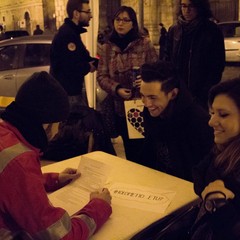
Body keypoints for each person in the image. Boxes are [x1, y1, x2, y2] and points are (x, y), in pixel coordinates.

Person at [0, 72, 112, 239]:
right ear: (46, 124)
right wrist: (99, 205)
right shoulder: (19, 161)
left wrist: (53, 179)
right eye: (59, 124)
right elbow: (60, 235)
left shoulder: (6, 135)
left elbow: (9, 183)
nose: (58, 132)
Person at [97, 6, 158, 163]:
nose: (121, 23)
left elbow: (157, 70)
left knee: (147, 149)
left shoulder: (144, 44)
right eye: (118, 19)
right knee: (130, 151)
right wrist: (116, 88)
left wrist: (145, 80)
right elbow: (102, 76)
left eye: (125, 20)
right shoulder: (107, 47)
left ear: (133, 23)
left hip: (144, 106)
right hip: (121, 109)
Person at [139, 61, 213, 181]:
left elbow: (206, 166)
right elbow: (149, 151)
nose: (147, 104)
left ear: (173, 94)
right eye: (142, 96)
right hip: (157, 181)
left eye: (153, 97)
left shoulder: (198, 121)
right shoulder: (150, 112)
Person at [190, 78, 240, 239]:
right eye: (212, 113)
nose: (211, 122)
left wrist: (217, 202)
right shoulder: (223, 148)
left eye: (223, 114)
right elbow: (198, 174)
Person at [164, 0, 225, 109]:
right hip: (176, 91)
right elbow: (166, 59)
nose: (187, 10)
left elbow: (217, 64)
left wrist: (206, 89)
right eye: (184, 6)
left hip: (200, 93)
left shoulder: (211, 30)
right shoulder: (174, 30)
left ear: (200, 7)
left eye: (191, 6)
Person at [50, 0, 98, 107]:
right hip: (68, 95)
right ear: (76, 14)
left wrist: (98, 62)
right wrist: (87, 67)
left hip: (71, 92)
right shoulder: (67, 34)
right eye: (88, 12)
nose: (91, 16)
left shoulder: (72, 32)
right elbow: (71, 66)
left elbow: (83, 57)